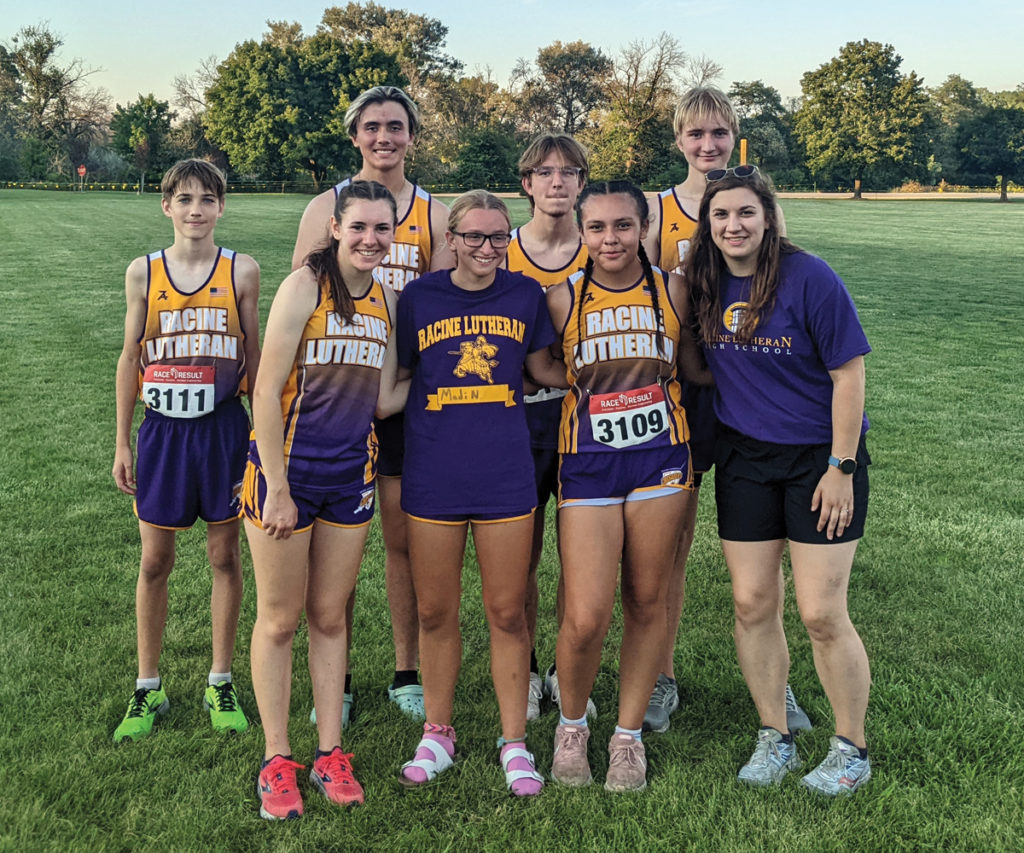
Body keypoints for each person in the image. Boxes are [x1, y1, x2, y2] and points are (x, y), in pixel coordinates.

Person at [686, 166, 872, 796]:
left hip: (819, 459)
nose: (732, 226)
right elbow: (701, 362)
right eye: (720, 216)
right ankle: (776, 736)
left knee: (821, 611)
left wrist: (841, 468)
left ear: (767, 217)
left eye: (744, 213)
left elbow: (848, 374)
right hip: (744, 457)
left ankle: (851, 748)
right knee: (751, 604)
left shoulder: (809, 276)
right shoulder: (704, 280)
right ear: (707, 225)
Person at [641, 86, 807, 735]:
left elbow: (783, 291)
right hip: (681, 397)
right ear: (679, 139)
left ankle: (779, 687)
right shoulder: (660, 211)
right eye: (695, 134)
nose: (706, 146)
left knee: (765, 557)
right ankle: (661, 676)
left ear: (733, 134)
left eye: (718, 134)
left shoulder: (757, 207)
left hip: (748, 395)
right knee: (667, 549)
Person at [395, 191, 566, 797]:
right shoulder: (418, 298)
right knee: (436, 612)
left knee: (507, 610)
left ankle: (513, 740)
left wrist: (617, 370)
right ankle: (438, 732)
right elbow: (397, 380)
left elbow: (544, 369)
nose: (487, 248)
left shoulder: (525, 295)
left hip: (504, 473)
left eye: (498, 237)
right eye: (474, 237)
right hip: (434, 473)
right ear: (451, 239)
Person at [246, 181, 407, 819]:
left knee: (331, 616)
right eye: (359, 227)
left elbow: (385, 398)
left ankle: (329, 752)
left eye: (382, 229)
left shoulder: (387, 299)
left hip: (350, 475)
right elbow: (265, 392)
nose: (371, 239)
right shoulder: (304, 288)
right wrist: (278, 488)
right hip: (286, 475)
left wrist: (455, 369)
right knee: (280, 619)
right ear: (336, 227)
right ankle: (277, 756)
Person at [293, 85, 453, 725]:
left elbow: (442, 304)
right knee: (334, 545)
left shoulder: (435, 214)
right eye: (372, 127)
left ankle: (406, 670)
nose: (384, 137)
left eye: (396, 126)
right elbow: (299, 305)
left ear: (412, 136)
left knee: (399, 539)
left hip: (403, 389)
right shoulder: (324, 207)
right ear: (355, 135)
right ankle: (340, 675)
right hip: (339, 395)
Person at [546, 181, 710, 792]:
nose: (610, 239)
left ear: (644, 227)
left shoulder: (673, 289)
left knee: (647, 600)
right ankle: (571, 726)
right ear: (582, 231)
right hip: (587, 461)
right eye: (597, 228)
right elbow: (540, 362)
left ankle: (627, 738)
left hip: (662, 459)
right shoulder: (563, 297)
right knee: (586, 615)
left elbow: (694, 361)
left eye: (623, 226)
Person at [112, 159, 260, 743]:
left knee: (225, 556)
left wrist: (257, 440)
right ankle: (148, 686)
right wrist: (123, 441)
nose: (195, 209)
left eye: (206, 199)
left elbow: (252, 352)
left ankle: (219, 679)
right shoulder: (143, 272)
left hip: (223, 428)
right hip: (164, 432)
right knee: (154, 561)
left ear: (221, 207)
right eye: (184, 199)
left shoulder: (241, 270)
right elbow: (129, 357)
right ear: (166, 206)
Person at [505, 133, 592, 721]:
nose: (557, 181)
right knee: (524, 552)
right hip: (519, 420)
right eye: (545, 171)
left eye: (569, 171)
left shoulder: (606, 244)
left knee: (580, 552)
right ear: (527, 184)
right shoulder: (497, 249)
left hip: (589, 420)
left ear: (582, 182)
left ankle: (565, 667)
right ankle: (530, 666)